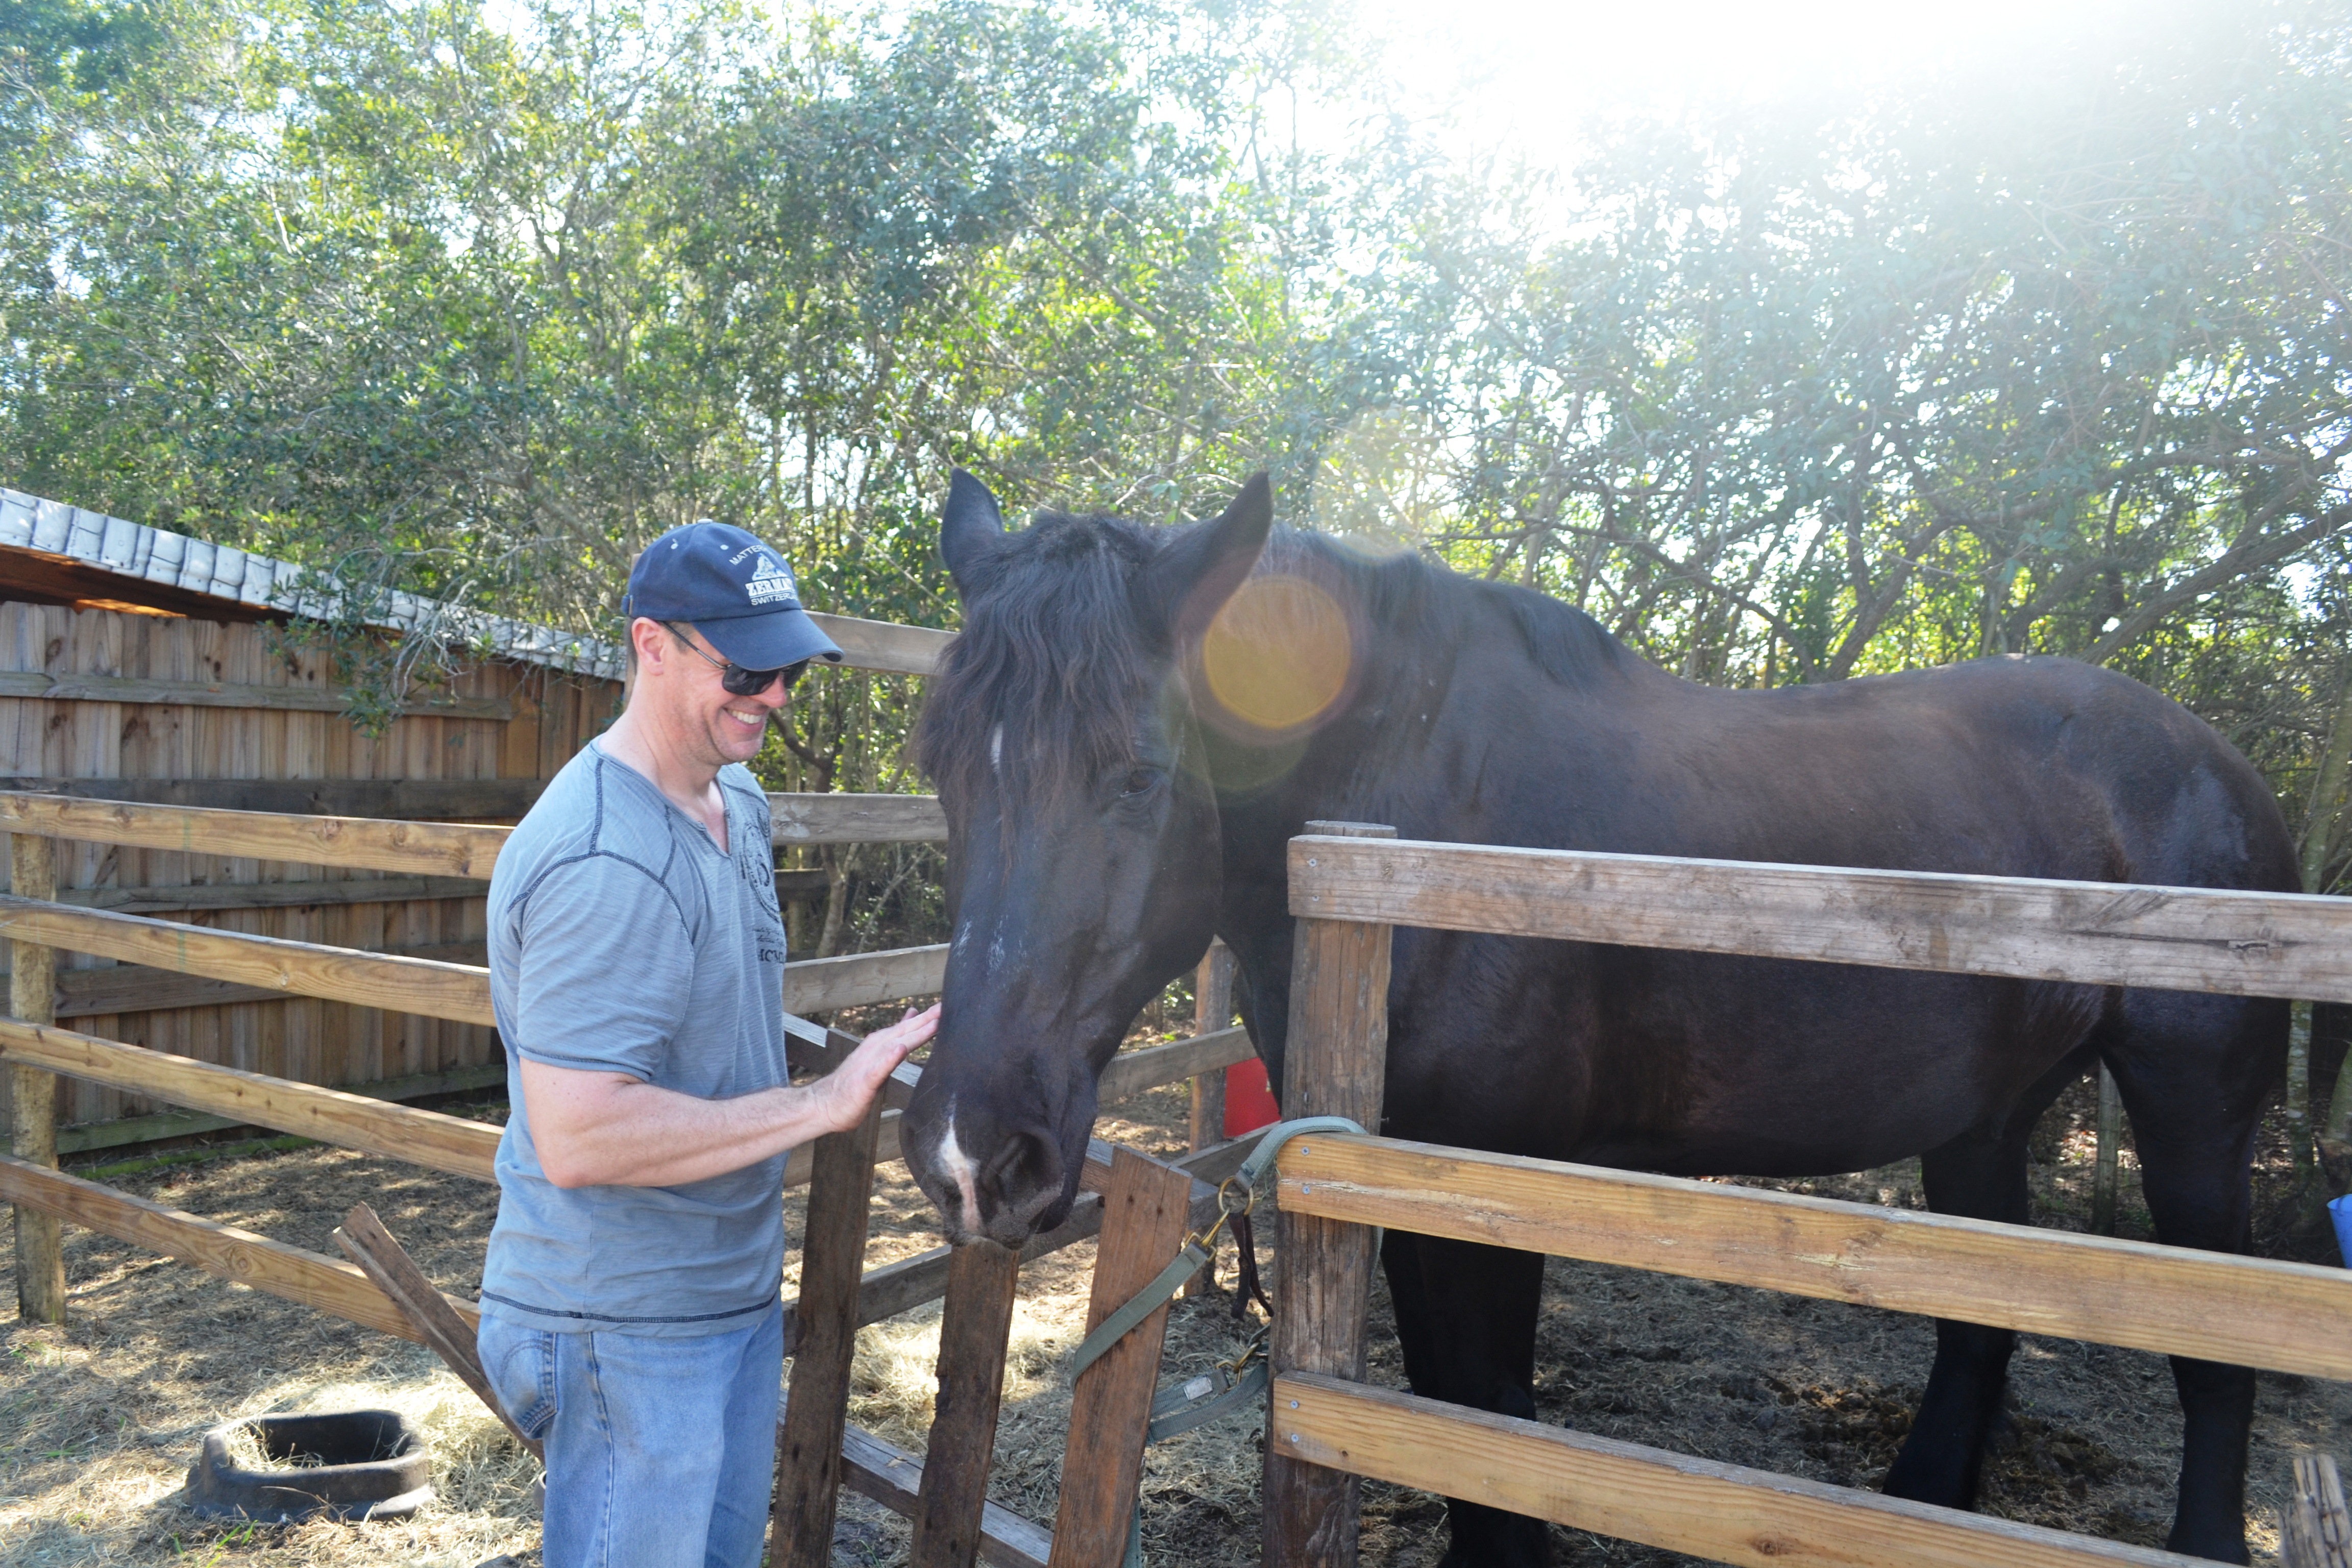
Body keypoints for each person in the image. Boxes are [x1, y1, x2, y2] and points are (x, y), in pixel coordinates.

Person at [476, 519, 940, 1568]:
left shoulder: (734, 794)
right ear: (652, 646)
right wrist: (822, 1104)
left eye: (786, 670)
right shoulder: (606, 860)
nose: (773, 695)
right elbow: (583, 1138)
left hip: (721, 1290)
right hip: (623, 1319)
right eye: (746, 668)